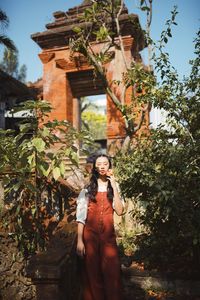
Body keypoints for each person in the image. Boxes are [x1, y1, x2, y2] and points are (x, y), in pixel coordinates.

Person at [76, 154, 124, 300]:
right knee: (92, 272)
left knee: (112, 271)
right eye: (99, 164)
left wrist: (114, 184)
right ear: (95, 167)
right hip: (90, 236)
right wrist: (79, 240)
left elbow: (120, 210)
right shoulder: (88, 189)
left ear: (109, 166)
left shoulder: (113, 187)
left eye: (105, 163)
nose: (102, 166)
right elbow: (81, 217)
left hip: (108, 236)